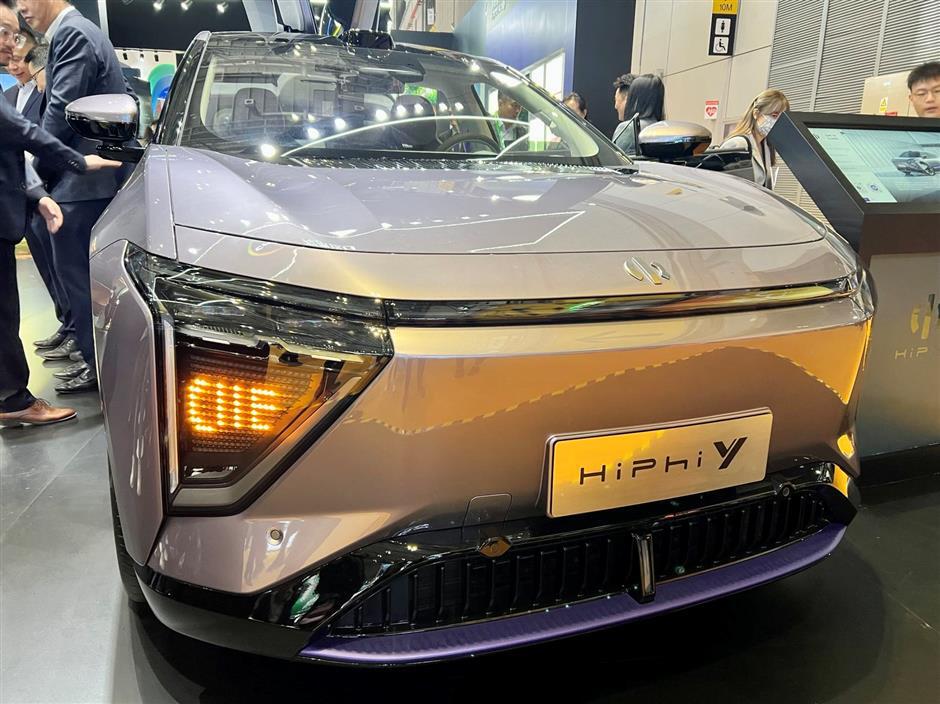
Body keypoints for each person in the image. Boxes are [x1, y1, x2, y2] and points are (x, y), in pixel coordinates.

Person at [0, 0, 117, 427]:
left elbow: (49, 120)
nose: (11, 44)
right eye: (4, 32)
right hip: (68, 184)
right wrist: (71, 165)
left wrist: (36, 188)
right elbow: (26, 128)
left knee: (73, 289)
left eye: (12, 33)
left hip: (69, 191)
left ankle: (95, 374)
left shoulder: (74, 33)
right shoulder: (73, 33)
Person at [17, 0, 133, 393]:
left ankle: (97, 365)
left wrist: (33, 174)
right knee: (80, 280)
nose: (20, 8)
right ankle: (93, 359)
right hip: (81, 181)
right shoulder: (78, 33)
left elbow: (60, 113)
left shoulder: (73, 33)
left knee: (79, 281)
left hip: (80, 186)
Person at [719, 89, 790, 189]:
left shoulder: (766, 147)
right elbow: (722, 186)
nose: (778, 122)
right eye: (774, 116)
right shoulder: (738, 144)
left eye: (781, 118)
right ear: (756, 113)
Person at [613, 73, 664, 152]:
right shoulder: (662, 128)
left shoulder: (628, 128)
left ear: (629, 99)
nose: (615, 106)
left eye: (616, 100)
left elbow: (614, 158)